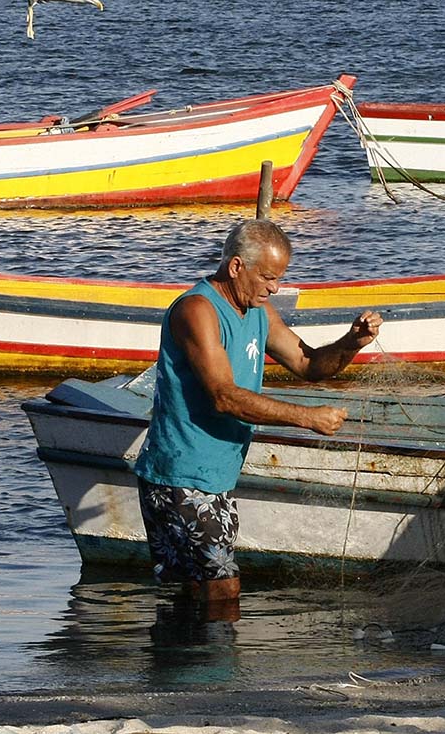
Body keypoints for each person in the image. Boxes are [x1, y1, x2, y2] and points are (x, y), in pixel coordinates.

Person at [133, 219, 382, 608]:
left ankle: (182, 665)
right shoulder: (197, 310)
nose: (274, 288)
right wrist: (307, 418)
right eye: (267, 277)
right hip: (179, 476)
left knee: (193, 596)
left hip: (217, 476)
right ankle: (219, 669)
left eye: (279, 278)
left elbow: (309, 364)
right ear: (236, 267)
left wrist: (352, 343)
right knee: (222, 592)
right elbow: (224, 396)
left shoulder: (260, 312)